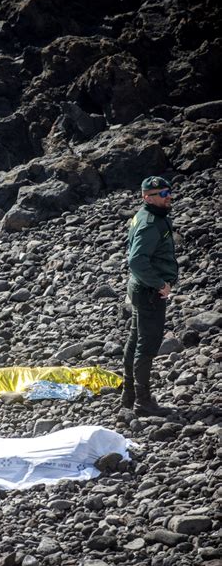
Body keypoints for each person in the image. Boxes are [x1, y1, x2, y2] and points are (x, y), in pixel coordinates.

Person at [121, 176, 178, 416]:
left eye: (168, 192)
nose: (169, 197)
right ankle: (142, 402)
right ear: (147, 197)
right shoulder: (150, 223)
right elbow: (135, 260)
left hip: (139, 288)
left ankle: (129, 395)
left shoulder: (143, 216)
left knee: (135, 340)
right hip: (149, 292)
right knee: (147, 345)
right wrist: (160, 284)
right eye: (163, 194)